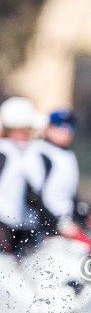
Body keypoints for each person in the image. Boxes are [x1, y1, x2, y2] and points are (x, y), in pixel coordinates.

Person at [34, 108, 91, 243]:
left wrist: (88, 214)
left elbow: (70, 197)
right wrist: (56, 224)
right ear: (47, 128)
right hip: (43, 230)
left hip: (64, 226)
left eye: (71, 126)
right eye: (59, 125)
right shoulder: (40, 154)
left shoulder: (67, 155)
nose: (66, 131)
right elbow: (32, 196)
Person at [0, 96, 46, 256]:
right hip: (5, 226)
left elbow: (32, 193)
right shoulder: (5, 152)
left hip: (21, 227)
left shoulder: (23, 152)